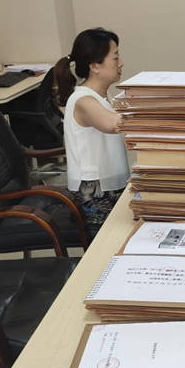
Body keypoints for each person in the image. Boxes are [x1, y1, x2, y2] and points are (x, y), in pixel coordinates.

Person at [52, 27, 130, 237]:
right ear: (95, 66)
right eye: (115, 57)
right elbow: (114, 124)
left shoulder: (103, 96)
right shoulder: (83, 100)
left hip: (112, 185)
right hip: (95, 193)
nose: (121, 63)